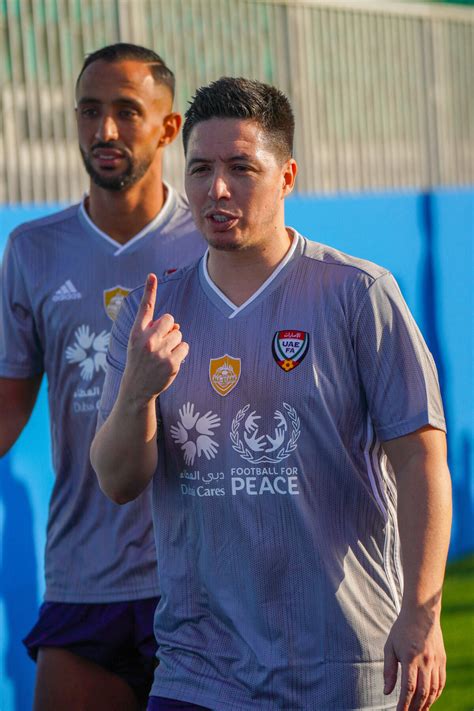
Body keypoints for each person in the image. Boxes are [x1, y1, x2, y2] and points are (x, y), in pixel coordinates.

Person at [91, 77, 452, 711]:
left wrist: (422, 612)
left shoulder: (358, 294)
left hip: (342, 666)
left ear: (286, 177)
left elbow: (421, 461)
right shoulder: (152, 312)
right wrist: (137, 394)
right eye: (200, 169)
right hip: (197, 669)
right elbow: (118, 481)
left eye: (240, 168)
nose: (217, 189)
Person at [0, 43, 205, 710]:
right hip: (84, 578)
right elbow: (7, 410)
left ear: (169, 128)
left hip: (205, 582)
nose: (104, 130)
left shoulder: (212, 242)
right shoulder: (32, 248)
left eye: (126, 112)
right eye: (90, 111)